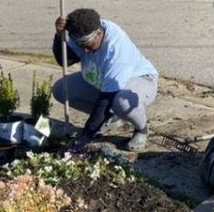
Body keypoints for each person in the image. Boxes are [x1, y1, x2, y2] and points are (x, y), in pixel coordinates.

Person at [52, 8, 158, 153]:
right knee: (61, 89)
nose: (85, 50)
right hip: (100, 80)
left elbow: (105, 100)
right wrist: (59, 36)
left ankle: (142, 129)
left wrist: (84, 138)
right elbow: (66, 60)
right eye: (79, 44)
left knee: (121, 103)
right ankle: (111, 118)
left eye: (86, 43)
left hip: (139, 80)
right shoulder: (83, 33)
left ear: (99, 33)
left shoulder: (116, 51)